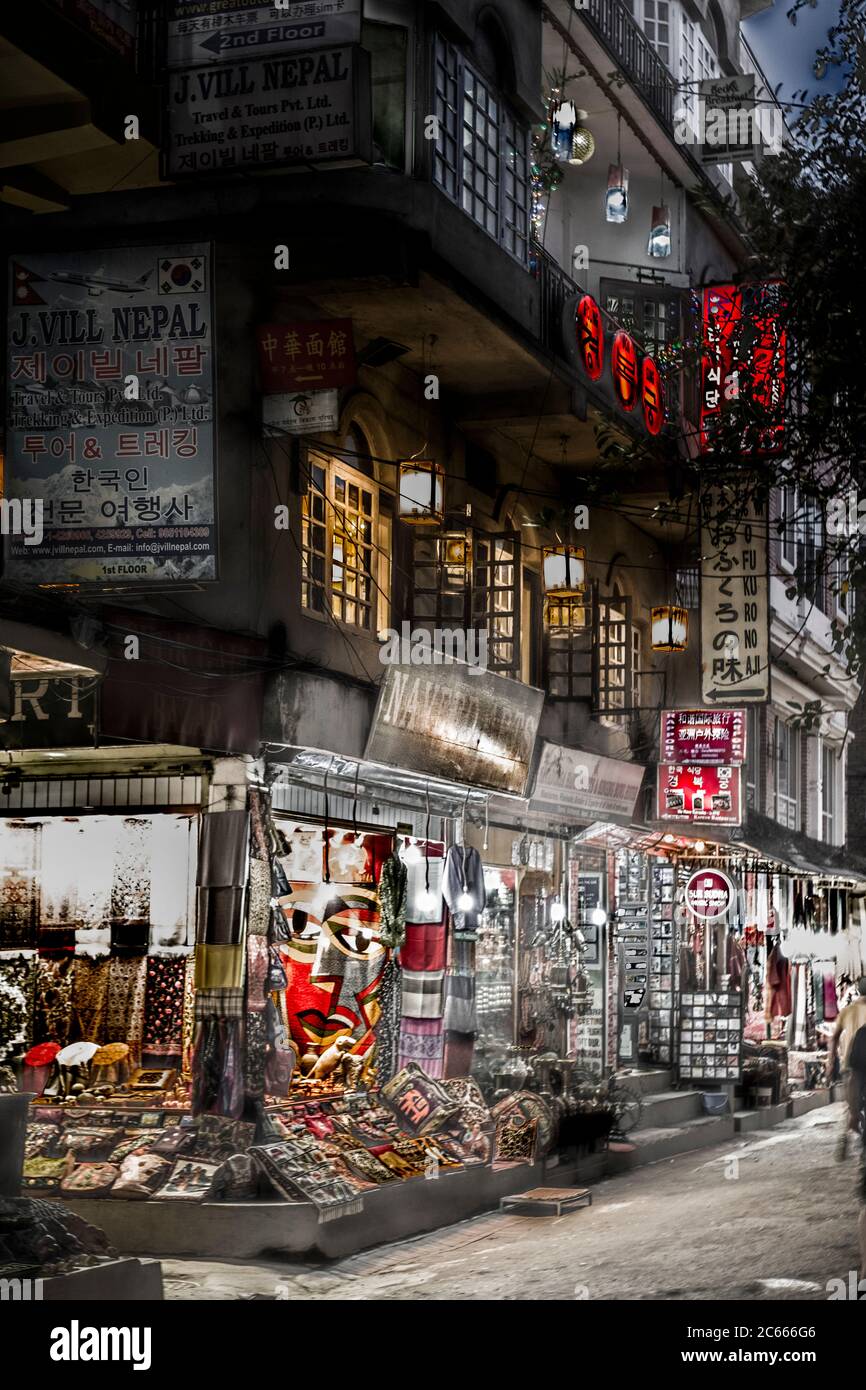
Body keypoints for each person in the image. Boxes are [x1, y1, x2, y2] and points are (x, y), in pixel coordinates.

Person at [827, 976, 866, 1162]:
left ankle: (844, 1140)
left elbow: (834, 1037)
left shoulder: (847, 1011)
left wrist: (830, 1060)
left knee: (851, 1105)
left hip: (849, 1064)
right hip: (861, 1066)